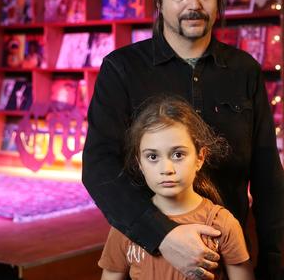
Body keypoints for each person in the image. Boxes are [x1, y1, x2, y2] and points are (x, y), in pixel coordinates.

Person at [82, 0, 284, 280]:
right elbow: (98, 168)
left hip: (228, 261)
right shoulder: (122, 69)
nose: (194, 4)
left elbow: (267, 175)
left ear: (219, 1)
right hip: (149, 260)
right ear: (159, 1)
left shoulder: (244, 69)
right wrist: (162, 235)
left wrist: (271, 263)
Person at [98, 96, 253, 280]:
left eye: (178, 154)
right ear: (139, 163)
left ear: (200, 157)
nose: (166, 170)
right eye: (153, 157)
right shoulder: (126, 227)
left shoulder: (222, 224)